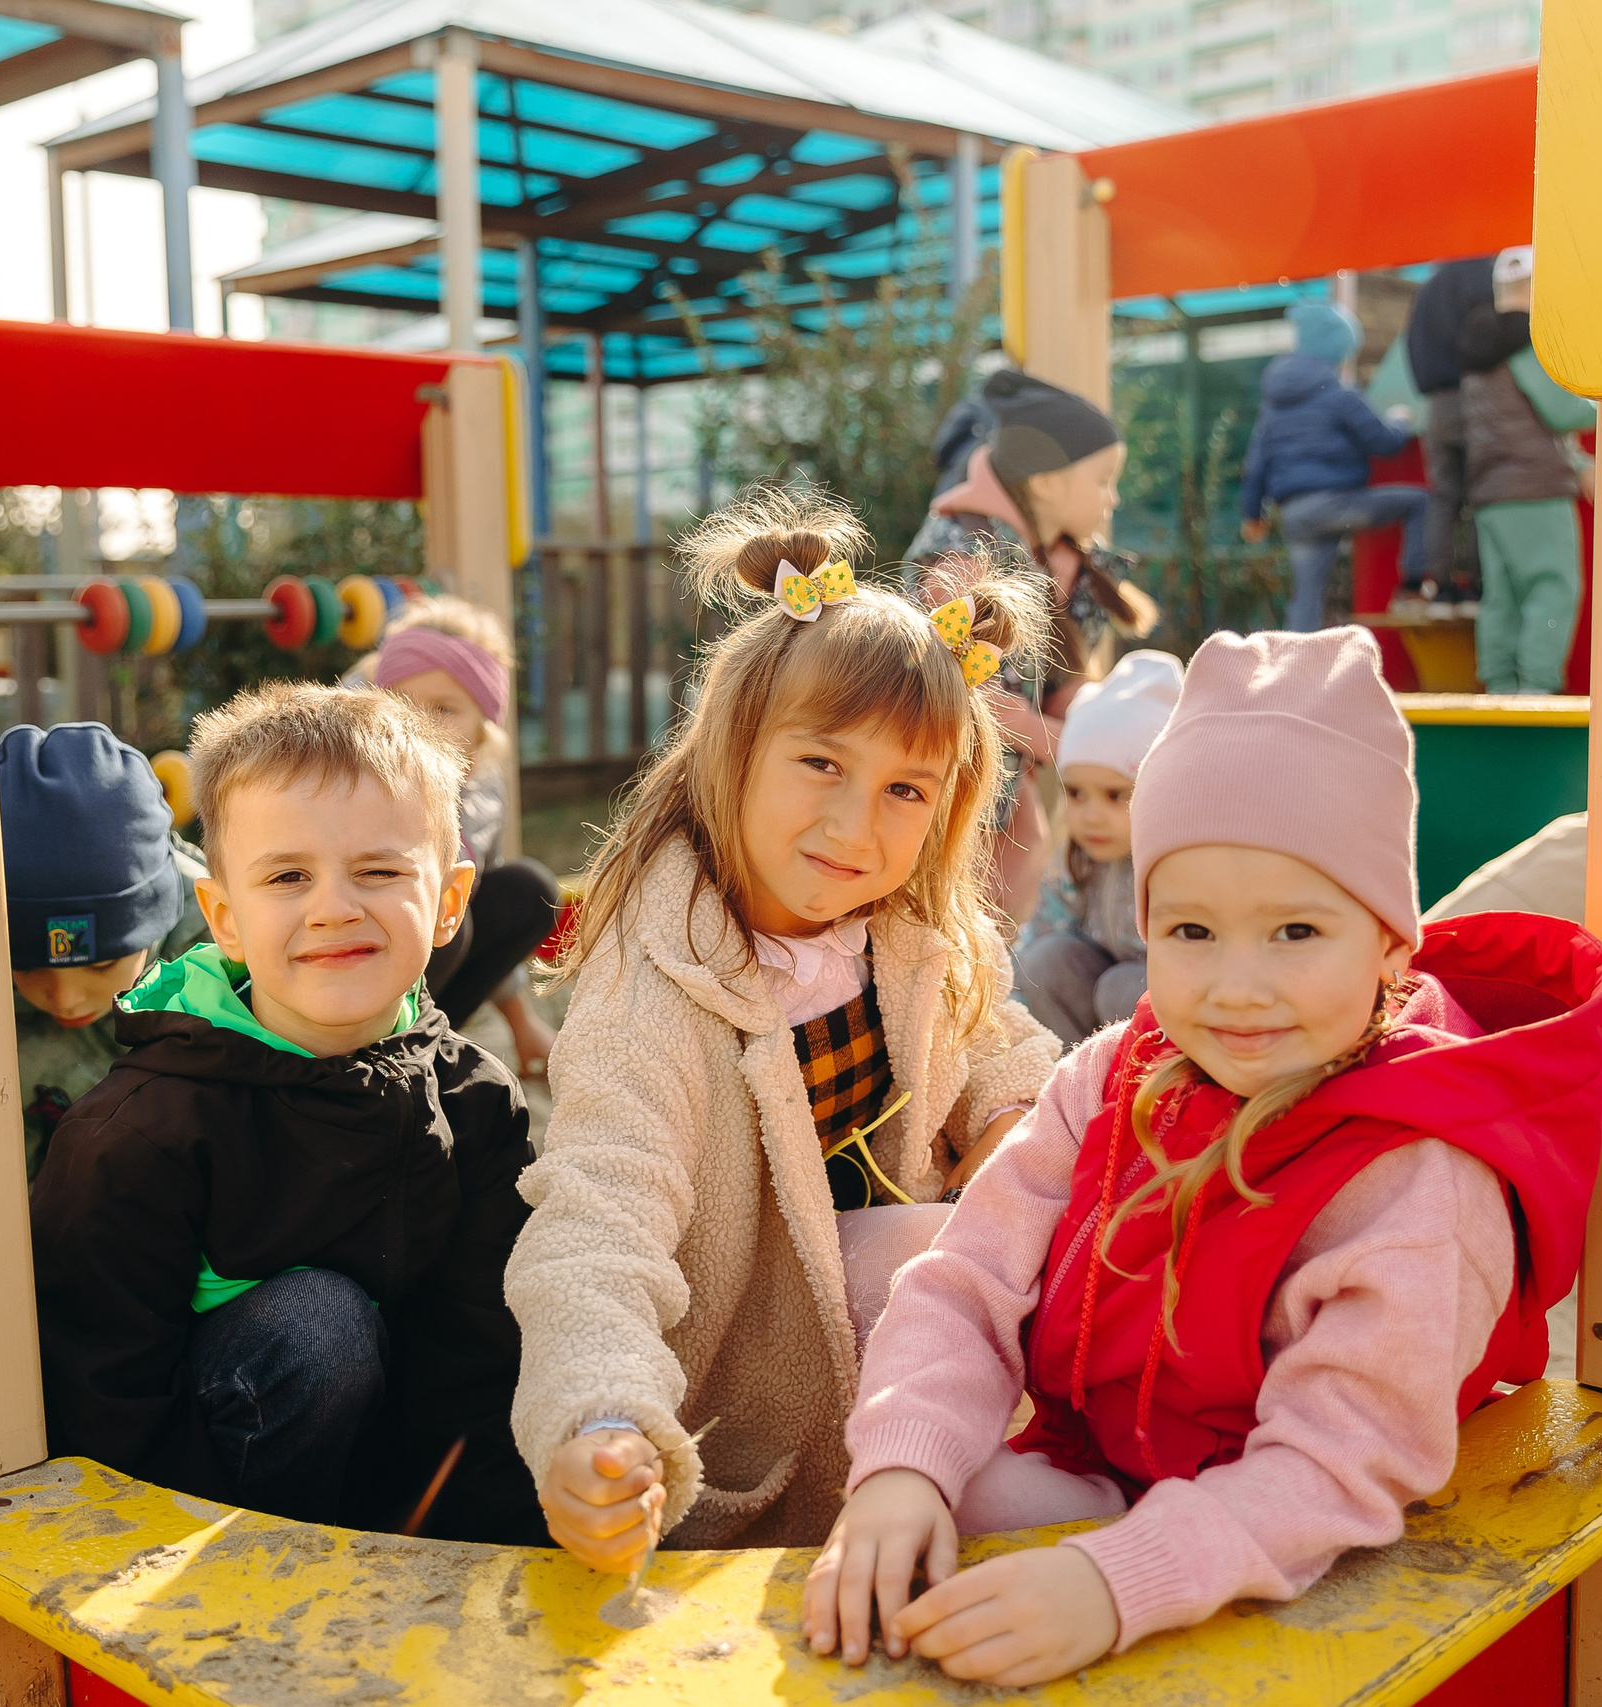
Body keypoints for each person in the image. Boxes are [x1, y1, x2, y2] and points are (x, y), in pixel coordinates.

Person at [803, 627, 1602, 1687]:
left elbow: (1334, 1463)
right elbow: (966, 1277)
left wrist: (1113, 1583)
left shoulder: (1415, 1174)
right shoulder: (1118, 1072)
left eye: (1295, 933)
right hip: (1114, 1463)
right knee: (910, 1503)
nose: (1237, 987)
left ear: (1389, 943)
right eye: (1191, 932)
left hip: (1308, 1529)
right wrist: (901, 1469)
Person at [508, 491, 1062, 1570]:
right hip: (752, 1415)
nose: (856, 826)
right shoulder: (660, 984)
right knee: (939, 1257)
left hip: (908, 1371)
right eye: (821, 764)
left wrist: (1012, 1123)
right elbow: (597, 1218)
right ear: (736, 748)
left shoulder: (908, 932)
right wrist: (599, 1416)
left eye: (906, 789)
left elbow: (1000, 1043)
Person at [28, 683, 544, 1541]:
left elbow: (483, 1361)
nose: (334, 906)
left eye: (378, 870)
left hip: (389, 1493)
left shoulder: (476, 1101)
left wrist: (482, 1554)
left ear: (450, 903)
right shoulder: (142, 1131)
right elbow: (101, 1395)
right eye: (288, 876)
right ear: (225, 918)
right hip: (199, 1496)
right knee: (318, 1322)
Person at [909, 369, 1158, 916]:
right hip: (939, 794)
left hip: (1003, 794)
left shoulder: (1060, 563)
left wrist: (1104, 724)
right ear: (1047, 482)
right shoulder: (964, 561)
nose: (1112, 498)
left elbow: (1063, 688)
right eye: (1102, 480)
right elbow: (958, 689)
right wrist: (1073, 743)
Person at [0, 724, 208, 1180]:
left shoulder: (228, 953)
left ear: (158, 919)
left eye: (100, 964)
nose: (65, 997)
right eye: (27, 965)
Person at [372, 597, 561, 1079]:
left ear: (482, 729)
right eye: (403, 705)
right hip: (364, 953)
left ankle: (421, 1042)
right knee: (445, 919)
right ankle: (368, 1048)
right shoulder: (366, 787)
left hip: (429, 967)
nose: (420, 725)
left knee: (526, 889)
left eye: (444, 709)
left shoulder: (483, 793)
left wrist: (522, 1024)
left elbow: (482, 893)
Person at [1014, 649, 1185, 1043]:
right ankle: (1073, 1073)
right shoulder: (1078, 858)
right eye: (1076, 794)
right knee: (1044, 961)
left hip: (1170, 1010)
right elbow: (1043, 929)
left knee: (1120, 986)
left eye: (1115, 795)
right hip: (1101, 1002)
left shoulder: (1180, 865)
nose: (1091, 816)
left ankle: (1149, 1081)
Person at [1239, 300, 1428, 632]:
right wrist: (1399, 421)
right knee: (1419, 502)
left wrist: (1253, 515)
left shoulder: (1272, 406)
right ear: (1337, 350)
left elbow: (1256, 465)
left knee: (1305, 601)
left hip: (1295, 513)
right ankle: (1413, 587)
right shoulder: (1340, 394)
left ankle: (1297, 659)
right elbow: (1383, 443)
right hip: (1338, 505)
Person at [1456, 249, 1596, 695]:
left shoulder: (1479, 347)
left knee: (1503, 597)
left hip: (1491, 491)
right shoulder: (1526, 341)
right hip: (1535, 487)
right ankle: (1536, 690)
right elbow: (1564, 411)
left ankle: (1499, 690)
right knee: (1552, 587)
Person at [1403, 257, 1498, 594]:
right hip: (1478, 397)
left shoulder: (1426, 290)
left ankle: (1439, 582)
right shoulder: (1485, 275)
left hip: (1437, 406)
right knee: (1483, 491)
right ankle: (1478, 583)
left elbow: (1411, 345)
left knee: (1443, 496)